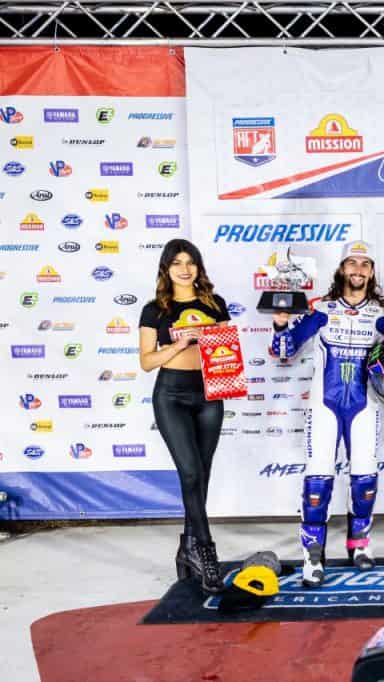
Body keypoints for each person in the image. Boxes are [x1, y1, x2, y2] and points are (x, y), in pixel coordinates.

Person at [271, 240, 384, 587]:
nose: (358, 270)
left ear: (371, 272)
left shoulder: (383, 313)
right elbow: (283, 351)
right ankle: (313, 556)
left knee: (364, 479)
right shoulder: (320, 308)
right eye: (352, 263)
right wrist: (281, 326)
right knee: (318, 480)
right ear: (342, 269)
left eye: (365, 264)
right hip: (324, 405)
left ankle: (359, 544)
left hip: (364, 405)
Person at [139, 238, 230, 594]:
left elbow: (227, 352)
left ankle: (186, 550)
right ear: (166, 268)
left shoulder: (215, 304)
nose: (184, 268)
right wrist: (178, 344)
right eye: (176, 262)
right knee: (190, 472)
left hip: (209, 394)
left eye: (190, 262)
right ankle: (206, 551)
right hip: (172, 395)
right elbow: (146, 361)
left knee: (201, 475)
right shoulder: (154, 310)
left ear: (198, 267)